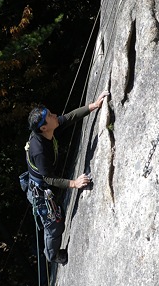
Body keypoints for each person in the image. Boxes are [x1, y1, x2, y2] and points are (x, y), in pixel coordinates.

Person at [25, 90, 109, 265]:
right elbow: (49, 179)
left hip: (43, 183)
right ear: (43, 127)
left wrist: (92, 106)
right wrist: (74, 183)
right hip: (39, 190)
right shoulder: (39, 149)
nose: (54, 115)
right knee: (54, 225)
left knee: (58, 218)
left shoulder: (46, 132)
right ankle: (52, 256)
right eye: (50, 115)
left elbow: (68, 118)